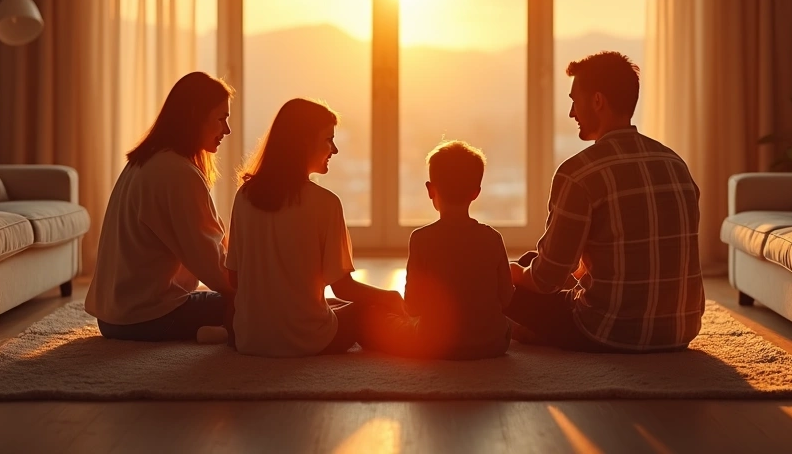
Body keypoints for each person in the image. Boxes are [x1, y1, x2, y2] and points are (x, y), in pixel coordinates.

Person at [507, 51, 705, 353]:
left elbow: (548, 278)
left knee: (517, 276)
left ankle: (532, 330)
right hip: (681, 329)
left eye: (575, 100)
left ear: (597, 101)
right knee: (535, 263)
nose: (572, 113)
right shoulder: (675, 163)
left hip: (608, 330)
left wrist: (511, 273)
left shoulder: (578, 173)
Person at [225, 98, 405, 357]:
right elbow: (343, 287)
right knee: (371, 311)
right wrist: (389, 297)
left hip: (249, 339)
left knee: (330, 304)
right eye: (329, 140)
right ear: (304, 143)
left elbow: (235, 278)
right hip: (308, 341)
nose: (335, 150)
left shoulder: (244, 196)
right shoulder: (326, 203)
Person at [85, 72, 235, 342]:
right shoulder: (178, 174)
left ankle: (218, 332)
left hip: (114, 317)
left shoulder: (145, 161)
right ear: (194, 115)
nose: (227, 130)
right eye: (221, 118)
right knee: (266, 308)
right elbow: (218, 274)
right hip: (146, 317)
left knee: (270, 304)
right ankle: (225, 332)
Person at [361, 140, 514, 360]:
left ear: (430, 189)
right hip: (493, 343)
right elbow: (507, 299)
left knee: (374, 319)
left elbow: (413, 306)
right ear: (476, 192)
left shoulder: (421, 239)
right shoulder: (493, 238)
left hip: (433, 345)